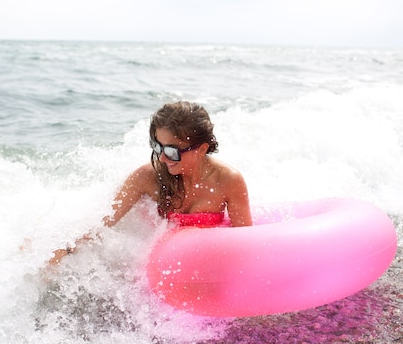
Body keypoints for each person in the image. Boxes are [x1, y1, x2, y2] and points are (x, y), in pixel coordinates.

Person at [49, 101, 252, 265]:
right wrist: (63, 248)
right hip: (163, 267)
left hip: (208, 262)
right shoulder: (147, 177)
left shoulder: (228, 181)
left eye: (172, 151)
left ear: (200, 149)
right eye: (157, 147)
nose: (162, 158)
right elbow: (105, 220)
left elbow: (245, 242)